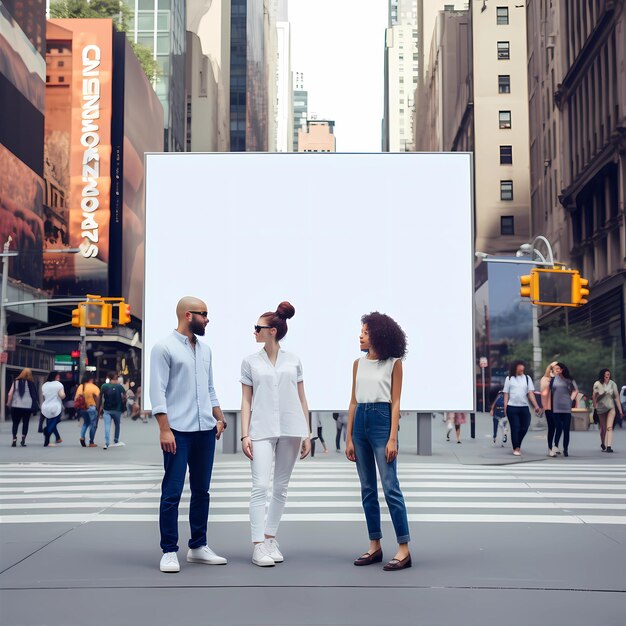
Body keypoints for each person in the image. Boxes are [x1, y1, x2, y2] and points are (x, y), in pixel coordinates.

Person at [150, 296, 227, 574]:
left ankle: (197, 546)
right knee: (171, 492)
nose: (207, 319)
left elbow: (209, 388)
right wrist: (164, 428)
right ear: (187, 315)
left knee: (201, 491)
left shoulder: (205, 350)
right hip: (177, 432)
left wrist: (219, 418)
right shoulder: (163, 347)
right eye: (203, 314)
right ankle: (169, 550)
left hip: (205, 431)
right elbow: (157, 391)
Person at [240, 302, 311, 567]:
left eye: (258, 328)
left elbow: (302, 398)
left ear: (272, 331)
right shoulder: (250, 362)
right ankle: (258, 544)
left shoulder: (294, 360)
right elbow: (246, 401)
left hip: (292, 428)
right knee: (260, 486)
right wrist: (245, 435)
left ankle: (270, 537)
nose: (254, 331)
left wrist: (307, 433)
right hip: (260, 429)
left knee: (280, 488)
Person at [346, 312, 411, 571]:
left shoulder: (393, 363)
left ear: (378, 334)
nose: (360, 335)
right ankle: (375, 545)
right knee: (367, 489)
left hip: (382, 420)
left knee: (390, 486)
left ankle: (404, 549)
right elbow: (352, 401)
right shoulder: (357, 364)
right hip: (360, 419)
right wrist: (349, 436)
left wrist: (392, 437)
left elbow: (396, 402)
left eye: (365, 331)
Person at [503, 361, 541, 456]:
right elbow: (506, 394)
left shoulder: (527, 379)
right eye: (520, 368)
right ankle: (516, 447)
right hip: (512, 407)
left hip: (524, 407)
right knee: (515, 427)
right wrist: (505, 407)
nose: (521, 370)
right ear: (515, 368)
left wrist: (536, 406)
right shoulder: (509, 379)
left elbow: (530, 393)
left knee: (525, 427)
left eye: (522, 368)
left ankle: (518, 443)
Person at [548, 363, 578, 457]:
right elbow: (550, 392)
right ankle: (555, 445)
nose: (556, 370)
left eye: (558, 368)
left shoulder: (569, 379)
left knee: (566, 429)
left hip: (566, 407)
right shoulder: (553, 380)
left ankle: (565, 449)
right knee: (558, 427)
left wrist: (571, 399)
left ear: (562, 369)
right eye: (555, 369)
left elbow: (575, 390)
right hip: (556, 407)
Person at [593, 369, 624, 453]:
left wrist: (620, 411)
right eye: (606, 374)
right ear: (602, 375)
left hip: (611, 408)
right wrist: (595, 407)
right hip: (601, 409)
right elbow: (594, 397)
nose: (607, 376)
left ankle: (609, 446)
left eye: (609, 374)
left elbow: (617, 398)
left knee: (609, 427)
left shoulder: (613, 384)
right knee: (603, 428)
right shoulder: (597, 384)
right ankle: (603, 442)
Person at [7, 368, 39, 447]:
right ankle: (23, 439)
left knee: (15, 423)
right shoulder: (31, 383)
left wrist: (8, 403)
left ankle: (14, 439)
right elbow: (34, 395)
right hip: (27, 407)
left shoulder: (15, 382)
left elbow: (10, 394)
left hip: (16, 406)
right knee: (25, 422)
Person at [99, 372, 127, 449]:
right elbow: (125, 397)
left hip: (107, 409)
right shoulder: (119, 387)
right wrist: (124, 405)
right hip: (117, 410)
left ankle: (107, 442)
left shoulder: (104, 386)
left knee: (107, 425)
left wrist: (99, 408)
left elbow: (100, 397)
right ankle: (116, 440)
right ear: (116, 378)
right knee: (117, 425)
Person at [41, 371, 65, 447]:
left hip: (45, 406)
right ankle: (47, 431)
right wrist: (63, 394)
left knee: (49, 421)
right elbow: (62, 396)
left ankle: (47, 441)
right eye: (58, 377)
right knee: (55, 420)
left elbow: (44, 395)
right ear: (55, 377)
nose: (59, 378)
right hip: (56, 407)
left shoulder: (45, 385)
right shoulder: (58, 385)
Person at [75, 374, 100, 447]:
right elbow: (98, 398)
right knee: (93, 425)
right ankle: (91, 442)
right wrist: (98, 409)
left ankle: (82, 437)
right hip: (91, 408)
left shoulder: (80, 387)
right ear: (91, 379)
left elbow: (76, 398)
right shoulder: (94, 387)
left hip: (82, 408)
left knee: (86, 423)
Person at [540, 362, 559, 456]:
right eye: (555, 368)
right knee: (552, 427)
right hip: (549, 407)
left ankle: (556, 446)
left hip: (559, 407)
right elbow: (543, 391)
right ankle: (550, 448)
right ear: (551, 369)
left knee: (558, 427)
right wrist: (552, 379)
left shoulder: (560, 379)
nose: (557, 370)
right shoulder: (545, 379)